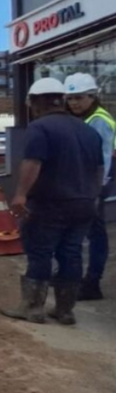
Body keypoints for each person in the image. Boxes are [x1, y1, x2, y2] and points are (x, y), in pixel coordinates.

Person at [1, 78, 104, 326]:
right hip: (83, 203)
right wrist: (93, 195)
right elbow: (99, 168)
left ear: (35, 103)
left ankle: (32, 308)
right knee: (71, 254)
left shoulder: (40, 127)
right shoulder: (87, 129)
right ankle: (65, 310)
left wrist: (20, 194)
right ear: (61, 100)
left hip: (49, 203)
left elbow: (33, 162)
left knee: (40, 253)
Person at [64, 73, 115, 301]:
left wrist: (95, 191)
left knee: (94, 233)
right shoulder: (85, 118)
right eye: (70, 98)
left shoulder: (99, 120)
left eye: (79, 98)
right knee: (86, 231)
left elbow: (104, 158)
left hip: (94, 185)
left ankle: (92, 282)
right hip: (83, 183)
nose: (74, 103)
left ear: (92, 96)